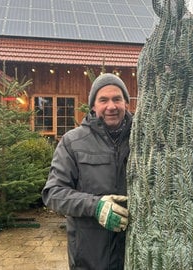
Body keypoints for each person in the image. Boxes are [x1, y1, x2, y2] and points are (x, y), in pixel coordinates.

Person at [42, 73, 132, 270]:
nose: (111, 106)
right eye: (103, 100)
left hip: (132, 254)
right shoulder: (72, 142)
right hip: (89, 256)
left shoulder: (142, 140)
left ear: (126, 102)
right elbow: (53, 192)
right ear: (93, 106)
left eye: (117, 99)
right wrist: (95, 206)